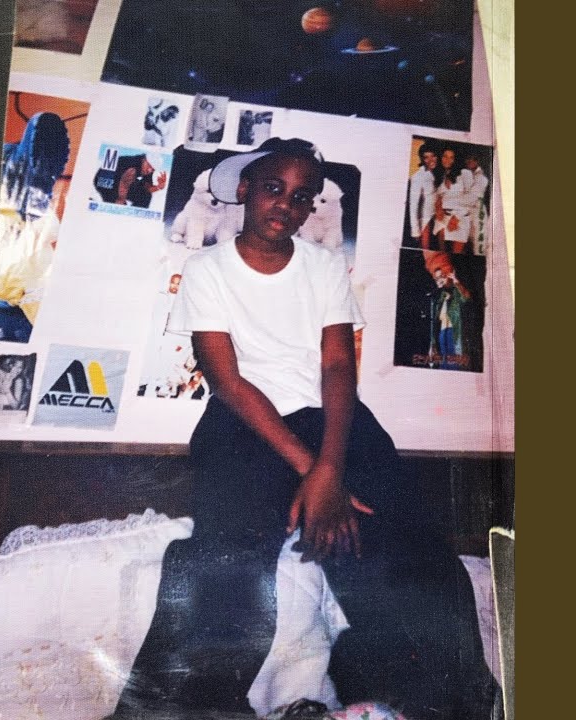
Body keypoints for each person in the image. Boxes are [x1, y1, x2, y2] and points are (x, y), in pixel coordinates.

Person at [110, 138, 498, 720]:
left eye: (302, 197)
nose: (287, 206)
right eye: (274, 188)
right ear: (245, 189)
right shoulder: (206, 269)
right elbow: (228, 381)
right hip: (244, 428)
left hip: (339, 427)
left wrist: (332, 468)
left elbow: (338, 366)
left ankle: (433, 705)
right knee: (228, 564)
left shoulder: (323, 265)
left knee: (411, 556)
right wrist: (313, 475)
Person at [431, 147, 476, 255]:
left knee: (456, 255)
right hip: (443, 217)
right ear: (440, 157)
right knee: (442, 254)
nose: (448, 160)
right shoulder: (440, 174)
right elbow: (438, 195)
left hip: (460, 218)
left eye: (451, 157)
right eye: (445, 156)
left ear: (456, 159)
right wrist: (438, 208)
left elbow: (472, 198)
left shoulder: (465, 173)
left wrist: (456, 218)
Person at [407, 143, 439, 248]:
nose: (431, 160)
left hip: (437, 218)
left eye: (433, 156)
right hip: (425, 221)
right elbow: (413, 206)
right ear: (422, 159)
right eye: (426, 157)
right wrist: (415, 231)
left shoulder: (437, 173)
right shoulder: (418, 177)